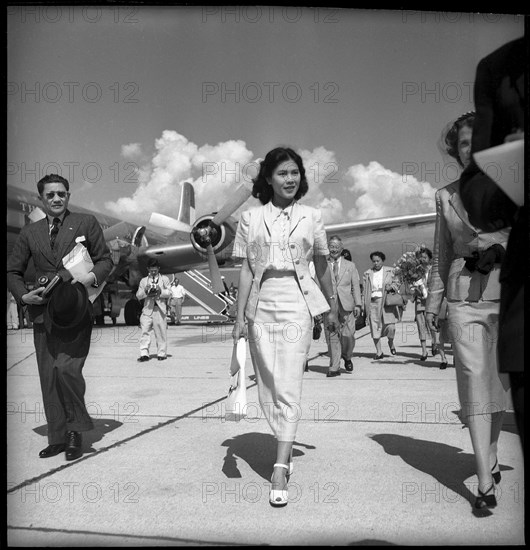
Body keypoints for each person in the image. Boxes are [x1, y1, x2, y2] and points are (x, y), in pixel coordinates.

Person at [232, 146, 338, 507]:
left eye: (295, 173)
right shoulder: (250, 218)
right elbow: (246, 269)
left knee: (289, 383)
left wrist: (330, 307)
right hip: (261, 304)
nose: (290, 179)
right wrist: (239, 317)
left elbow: (321, 265)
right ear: (268, 179)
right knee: (268, 386)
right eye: (282, 173)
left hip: (297, 301)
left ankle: (280, 465)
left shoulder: (312, 216)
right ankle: (285, 441)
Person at [425, 112, 511, 511]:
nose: (471, 149)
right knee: (474, 382)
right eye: (463, 143)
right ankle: (482, 478)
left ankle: (490, 456)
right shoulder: (444, 196)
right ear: (455, 151)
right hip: (464, 296)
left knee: (498, 384)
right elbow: (442, 253)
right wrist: (433, 301)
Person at [7, 173, 113, 461]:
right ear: (41, 198)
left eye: (61, 194)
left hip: (76, 309)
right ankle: (57, 436)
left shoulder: (85, 223)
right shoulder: (30, 233)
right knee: (48, 375)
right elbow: (12, 271)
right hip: (43, 313)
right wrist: (22, 295)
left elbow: (106, 260)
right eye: (50, 194)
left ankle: (75, 431)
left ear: (68, 196)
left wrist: (87, 278)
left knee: (67, 370)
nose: (56, 198)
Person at [458, 37, 524, 454]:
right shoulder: (500, 68)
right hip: (490, 294)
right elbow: (478, 187)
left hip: (500, 290)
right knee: (478, 380)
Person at [324, 236, 362, 377]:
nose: (333, 249)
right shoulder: (323, 264)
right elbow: (318, 285)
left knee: (348, 334)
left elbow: (355, 287)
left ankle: (347, 355)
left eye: (336, 246)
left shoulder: (350, 266)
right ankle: (334, 366)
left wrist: (358, 304)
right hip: (329, 305)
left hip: (347, 305)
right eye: (331, 246)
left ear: (342, 248)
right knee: (332, 335)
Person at [363, 251, 402, 360]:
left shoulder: (391, 271)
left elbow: (398, 282)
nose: (375, 263)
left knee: (391, 327)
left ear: (382, 261)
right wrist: (363, 305)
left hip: (386, 302)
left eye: (378, 261)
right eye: (374, 261)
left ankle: (391, 342)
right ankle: (379, 352)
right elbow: (364, 291)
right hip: (372, 303)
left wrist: (392, 287)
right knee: (374, 327)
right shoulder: (367, 273)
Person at [136, 258, 172, 361]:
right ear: (148, 269)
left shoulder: (164, 279)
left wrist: (161, 291)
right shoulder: (143, 281)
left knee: (161, 332)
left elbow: (169, 293)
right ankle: (144, 353)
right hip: (147, 309)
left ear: (158, 269)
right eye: (151, 270)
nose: (153, 272)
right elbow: (138, 296)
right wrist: (145, 291)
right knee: (145, 331)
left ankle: (161, 353)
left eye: (155, 270)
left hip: (159, 309)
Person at [412, 247, 437, 361]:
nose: (422, 259)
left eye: (425, 257)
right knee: (420, 324)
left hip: (431, 301)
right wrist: (416, 289)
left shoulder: (434, 270)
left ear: (430, 258)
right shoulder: (416, 270)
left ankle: (434, 342)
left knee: (431, 323)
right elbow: (411, 286)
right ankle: (424, 351)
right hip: (419, 301)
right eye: (421, 257)